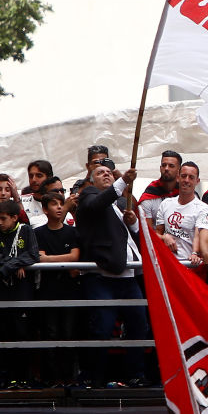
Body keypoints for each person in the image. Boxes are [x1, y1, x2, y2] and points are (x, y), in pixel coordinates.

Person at [76, 163, 149, 388]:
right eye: (100, 173)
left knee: (139, 326)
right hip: (102, 277)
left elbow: (132, 238)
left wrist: (133, 223)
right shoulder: (89, 196)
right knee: (102, 328)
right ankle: (95, 377)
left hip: (128, 277)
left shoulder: (117, 205)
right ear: (91, 181)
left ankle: (135, 374)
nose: (106, 174)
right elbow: (98, 203)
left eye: (109, 172)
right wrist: (122, 182)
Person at [0, 200, 39, 387]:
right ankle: (7, 378)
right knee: (4, 333)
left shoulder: (26, 230)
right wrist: (13, 264)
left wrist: (11, 265)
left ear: (15, 218)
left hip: (22, 292)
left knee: (22, 333)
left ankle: (25, 378)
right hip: (3, 292)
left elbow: (32, 254)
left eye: (3, 219)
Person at [34, 191, 81, 386]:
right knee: (50, 332)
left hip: (69, 288)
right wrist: (64, 259)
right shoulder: (38, 233)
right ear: (45, 210)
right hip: (48, 289)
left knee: (69, 332)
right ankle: (51, 378)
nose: (59, 207)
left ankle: (69, 377)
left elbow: (75, 257)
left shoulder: (72, 232)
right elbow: (40, 258)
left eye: (61, 203)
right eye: (54, 204)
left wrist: (51, 259)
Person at [155, 162, 208, 263]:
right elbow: (156, 234)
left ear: (197, 181)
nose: (186, 180)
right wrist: (164, 237)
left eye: (191, 177)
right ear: (177, 177)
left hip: (189, 265)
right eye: (183, 176)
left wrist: (195, 253)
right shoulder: (165, 204)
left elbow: (199, 235)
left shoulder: (203, 208)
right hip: (168, 264)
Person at [138, 150, 182, 225]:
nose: (167, 168)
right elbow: (147, 231)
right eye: (164, 165)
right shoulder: (149, 196)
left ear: (179, 170)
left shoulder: (186, 193)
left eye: (171, 166)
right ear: (160, 168)